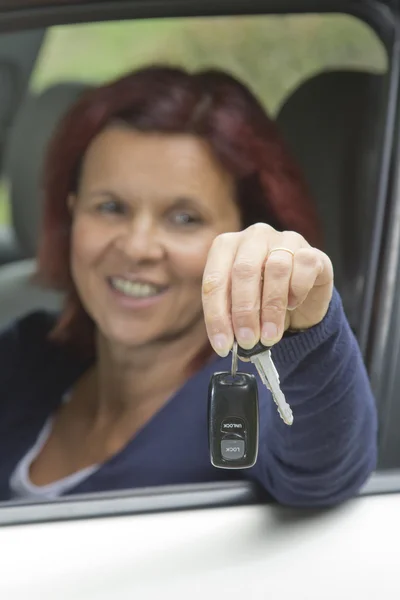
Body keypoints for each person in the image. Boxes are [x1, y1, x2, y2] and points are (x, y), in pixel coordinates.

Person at [0, 65, 377, 506]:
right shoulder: (28, 354)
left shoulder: (252, 398)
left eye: (184, 219)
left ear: (246, 237)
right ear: (72, 213)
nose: (138, 247)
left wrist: (303, 326)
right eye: (111, 207)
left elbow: (324, 472)